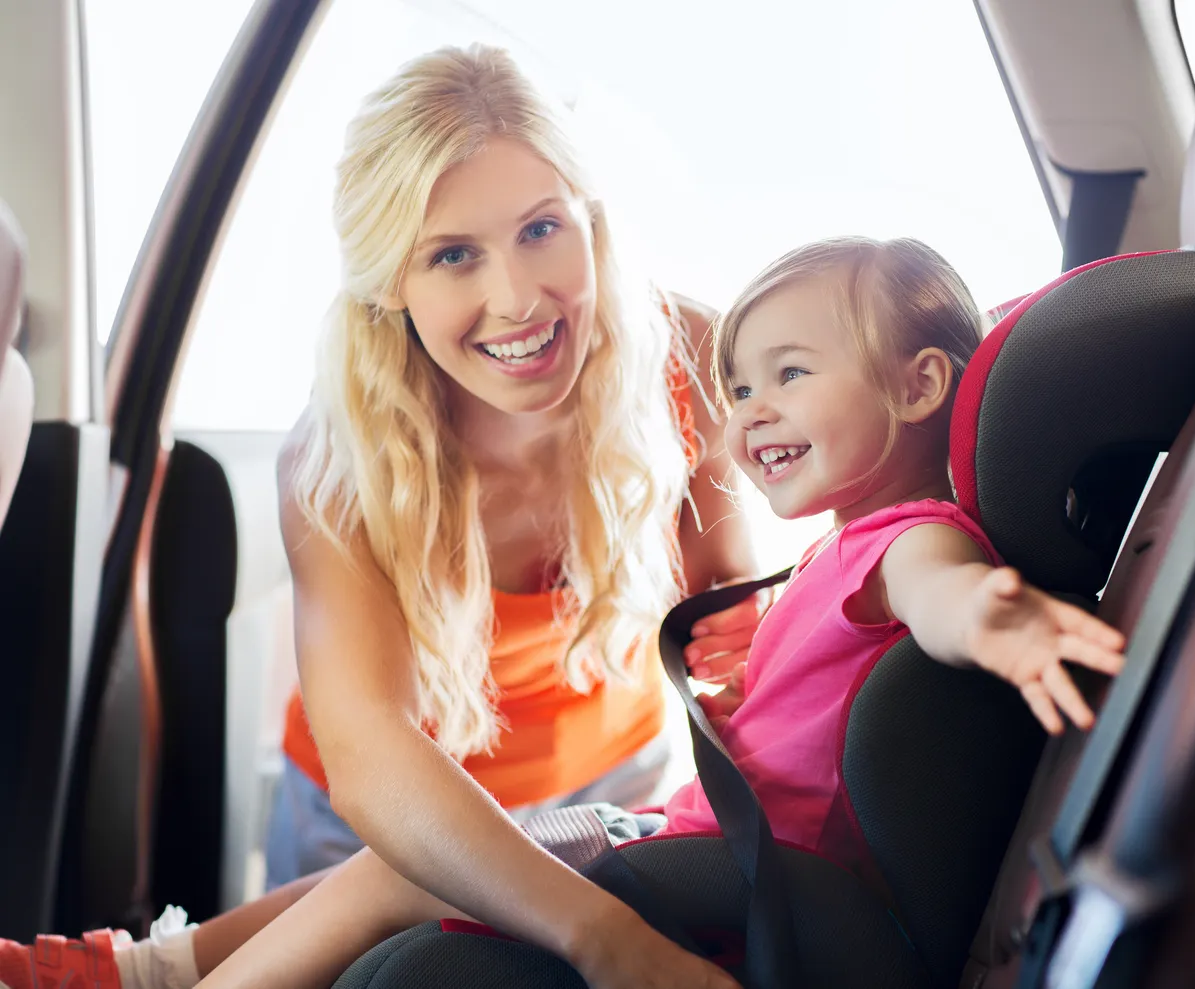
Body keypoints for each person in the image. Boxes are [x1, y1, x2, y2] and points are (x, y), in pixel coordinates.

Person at [0, 43, 763, 989]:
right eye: (452, 255)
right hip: (380, 822)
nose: (518, 297)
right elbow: (374, 760)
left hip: (613, 778)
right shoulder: (335, 460)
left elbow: (724, 603)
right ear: (388, 285)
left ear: (589, 218)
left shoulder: (686, 350)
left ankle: (133, 971)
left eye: (540, 229)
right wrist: (610, 938)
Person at [188, 234, 1126, 989]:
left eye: (790, 374)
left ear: (920, 386)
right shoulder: (841, 550)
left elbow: (939, 585)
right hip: (706, 851)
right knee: (419, 876)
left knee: (409, 867)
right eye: (742, 388)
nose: (749, 414)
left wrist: (988, 617)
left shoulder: (906, 539)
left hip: (728, 872)